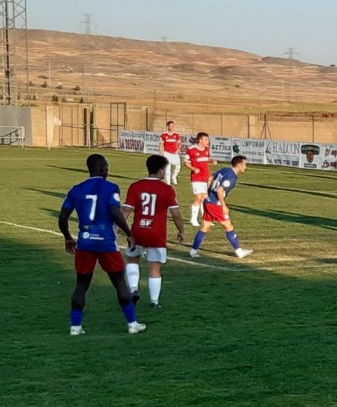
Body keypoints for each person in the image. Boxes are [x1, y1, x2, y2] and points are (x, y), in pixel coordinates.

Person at [57, 154, 146, 335]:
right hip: (106, 242)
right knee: (119, 282)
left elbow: (63, 217)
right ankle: (132, 324)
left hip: (85, 242)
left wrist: (67, 236)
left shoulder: (76, 189)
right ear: (102, 168)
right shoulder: (111, 187)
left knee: (81, 284)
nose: (108, 170)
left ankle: (75, 327)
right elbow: (115, 212)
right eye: (106, 167)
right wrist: (129, 233)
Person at [122, 155, 186, 309]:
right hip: (156, 233)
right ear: (161, 171)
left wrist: (119, 229)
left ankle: (133, 289)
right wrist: (181, 231)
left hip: (137, 231)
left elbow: (125, 211)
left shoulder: (135, 186)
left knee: (133, 260)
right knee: (154, 267)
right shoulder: (167, 189)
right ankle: (154, 302)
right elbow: (175, 214)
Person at [188, 156, 253, 259]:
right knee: (228, 226)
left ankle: (193, 251)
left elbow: (210, 178)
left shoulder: (225, 169)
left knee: (206, 226)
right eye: (245, 164)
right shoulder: (232, 177)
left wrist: (206, 193)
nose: (246, 167)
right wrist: (223, 205)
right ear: (239, 165)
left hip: (208, 201)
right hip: (215, 204)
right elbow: (219, 190)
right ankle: (239, 251)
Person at [185, 132, 218, 227]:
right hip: (196, 178)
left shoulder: (207, 149)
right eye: (206, 140)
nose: (208, 142)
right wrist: (193, 169)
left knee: (205, 199)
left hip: (206, 177)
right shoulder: (191, 150)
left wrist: (212, 161)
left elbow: (207, 158)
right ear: (200, 140)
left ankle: (206, 219)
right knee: (198, 198)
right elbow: (186, 162)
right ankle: (193, 219)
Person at [160, 121, 183, 185]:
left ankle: (174, 177)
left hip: (175, 153)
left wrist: (178, 149)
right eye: (171, 126)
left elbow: (179, 144)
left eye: (173, 126)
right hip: (167, 153)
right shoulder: (164, 135)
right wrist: (161, 152)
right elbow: (161, 144)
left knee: (178, 167)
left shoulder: (176, 135)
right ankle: (168, 183)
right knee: (168, 167)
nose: (172, 127)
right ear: (168, 126)